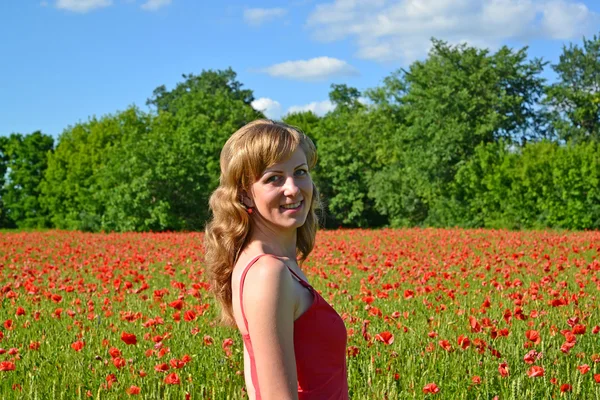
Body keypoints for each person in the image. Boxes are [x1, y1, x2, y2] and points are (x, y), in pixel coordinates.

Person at [204, 120, 349, 400]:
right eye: (274, 178)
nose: (293, 188)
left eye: (300, 172)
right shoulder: (267, 273)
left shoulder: (268, 264)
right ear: (245, 192)